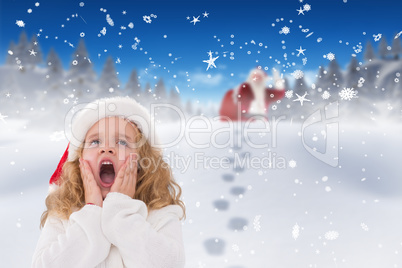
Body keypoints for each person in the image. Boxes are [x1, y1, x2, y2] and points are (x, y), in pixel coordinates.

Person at [32, 96, 186, 268]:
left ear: (143, 161)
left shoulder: (160, 212)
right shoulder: (63, 213)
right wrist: (92, 213)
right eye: (95, 141)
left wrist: (122, 213)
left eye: (122, 142)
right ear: (79, 160)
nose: (107, 148)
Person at [219, 67, 285, 121]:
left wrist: (278, 81)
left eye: (259, 77)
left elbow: (279, 94)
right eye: (255, 77)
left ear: (263, 79)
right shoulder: (243, 89)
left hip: (261, 122)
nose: (257, 79)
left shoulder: (266, 93)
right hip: (243, 122)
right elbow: (238, 104)